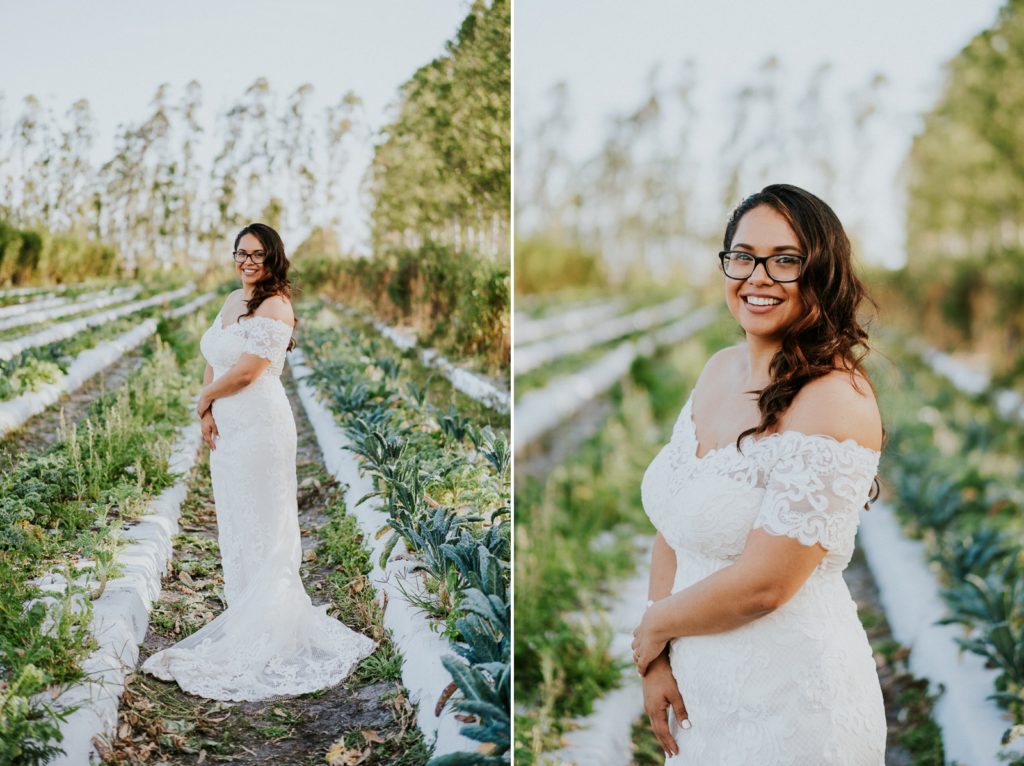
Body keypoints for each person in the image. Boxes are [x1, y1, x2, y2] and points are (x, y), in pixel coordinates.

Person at [631, 184, 887, 764]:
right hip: (705, 698)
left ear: (822, 273)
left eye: (786, 260)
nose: (758, 276)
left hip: (794, 708)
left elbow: (767, 584)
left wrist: (652, 631)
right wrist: (659, 659)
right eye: (743, 256)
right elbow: (673, 519)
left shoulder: (834, 399)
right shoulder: (717, 370)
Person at [141, 222, 376, 700]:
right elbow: (215, 355)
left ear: (273, 258)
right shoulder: (232, 300)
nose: (248, 261)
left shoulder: (277, 305)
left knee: (266, 524)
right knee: (237, 519)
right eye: (241, 253)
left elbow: (247, 372)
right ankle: (244, 612)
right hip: (229, 428)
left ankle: (272, 625)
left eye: (257, 254)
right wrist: (207, 409)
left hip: (262, 427)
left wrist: (204, 397)